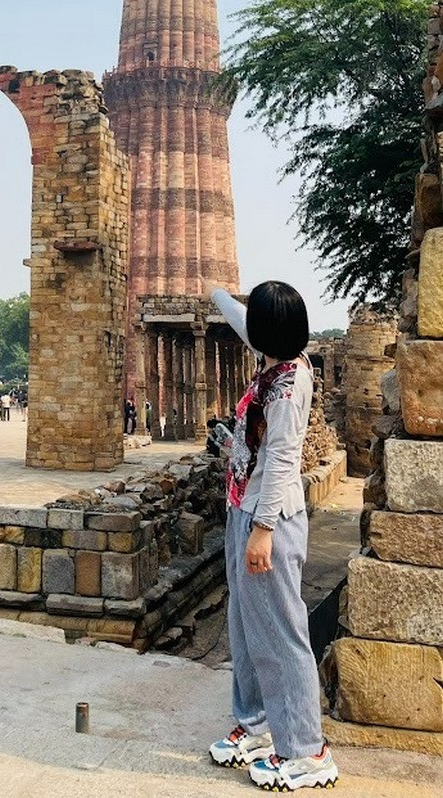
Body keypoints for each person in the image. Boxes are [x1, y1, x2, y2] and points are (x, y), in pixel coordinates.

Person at [206, 280, 338, 793]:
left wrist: (261, 533)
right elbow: (241, 321)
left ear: (271, 332)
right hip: (243, 510)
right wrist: (216, 291)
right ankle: (259, 725)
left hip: (271, 521)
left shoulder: (288, 385)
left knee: (282, 633)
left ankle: (307, 750)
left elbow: (282, 461)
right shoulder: (269, 354)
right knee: (244, 625)